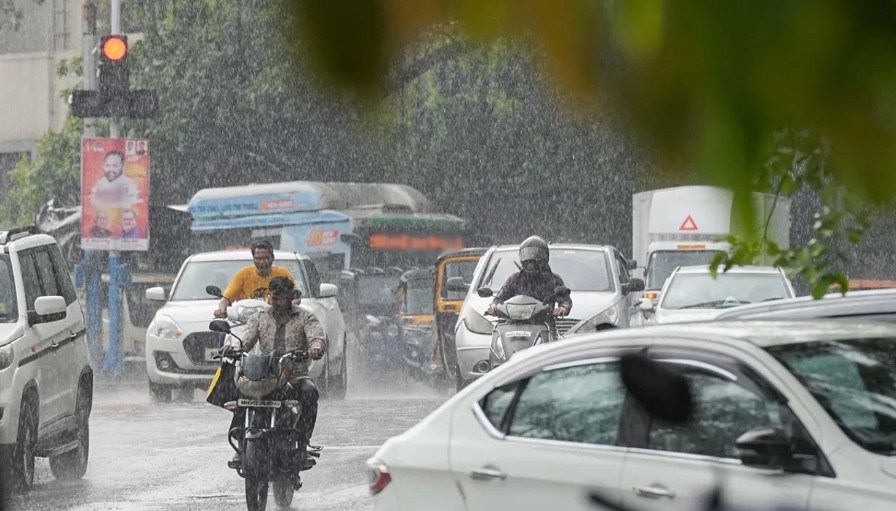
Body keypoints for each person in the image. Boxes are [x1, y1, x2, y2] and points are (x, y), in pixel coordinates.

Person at [220, 276, 325, 467]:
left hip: (294, 376)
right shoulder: (259, 317)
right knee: (240, 393)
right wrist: (233, 347)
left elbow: (316, 336)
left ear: (291, 297)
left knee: (309, 393)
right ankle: (241, 446)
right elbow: (245, 339)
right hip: (265, 376)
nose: (275, 302)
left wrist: (315, 347)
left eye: (280, 298)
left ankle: (302, 445)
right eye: (273, 297)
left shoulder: (305, 317)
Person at [487, 236, 573, 328]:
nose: (531, 264)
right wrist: (494, 306)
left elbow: (565, 300)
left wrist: (563, 308)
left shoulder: (554, 280)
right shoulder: (515, 279)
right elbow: (500, 297)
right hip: (515, 327)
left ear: (545, 257)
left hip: (545, 327)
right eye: (528, 260)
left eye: (535, 259)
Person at [213, 240, 300, 318]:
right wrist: (222, 310)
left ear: (272, 258)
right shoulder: (243, 274)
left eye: (266, 258)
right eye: (258, 259)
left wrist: (284, 310)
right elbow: (226, 299)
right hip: (246, 323)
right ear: (253, 259)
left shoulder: (283, 273)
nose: (262, 262)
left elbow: (296, 298)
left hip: (277, 321)